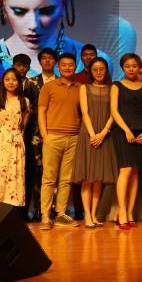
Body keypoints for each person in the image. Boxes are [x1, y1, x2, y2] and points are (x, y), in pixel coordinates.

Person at [37, 52, 82, 229]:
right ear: (58, 66)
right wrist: (45, 135)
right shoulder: (49, 87)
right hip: (53, 137)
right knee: (49, 178)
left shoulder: (80, 88)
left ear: (75, 66)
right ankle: (45, 216)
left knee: (66, 179)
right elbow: (41, 111)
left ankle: (61, 214)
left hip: (74, 138)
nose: (67, 68)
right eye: (64, 65)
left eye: (71, 65)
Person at [75, 57, 116, 227]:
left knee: (99, 178)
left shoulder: (112, 88)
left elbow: (114, 113)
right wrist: (93, 135)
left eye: (102, 69)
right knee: (87, 178)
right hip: (88, 134)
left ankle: (94, 214)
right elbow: (84, 113)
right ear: (90, 72)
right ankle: (87, 215)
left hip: (105, 135)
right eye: (95, 69)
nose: (98, 72)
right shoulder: (84, 88)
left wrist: (104, 133)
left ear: (106, 70)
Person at [110, 53, 142, 228]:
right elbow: (114, 111)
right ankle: (122, 212)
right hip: (122, 131)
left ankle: (131, 212)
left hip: (141, 131)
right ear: (123, 67)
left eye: (134, 66)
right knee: (125, 170)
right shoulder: (116, 86)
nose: (131, 69)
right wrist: (126, 130)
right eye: (127, 66)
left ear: (139, 67)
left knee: (135, 172)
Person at [0, 68, 29, 207]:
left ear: (19, 82)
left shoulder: (25, 101)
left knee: (14, 174)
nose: (11, 82)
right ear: (3, 82)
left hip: (16, 142)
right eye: (7, 79)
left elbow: (23, 125)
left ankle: (13, 208)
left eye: (14, 80)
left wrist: (16, 136)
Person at [13, 53, 42, 221]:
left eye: (25, 65)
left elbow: (37, 109)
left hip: (31, 135)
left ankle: (31, 210)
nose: (21, 68)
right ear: (13, 66)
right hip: (10, 137)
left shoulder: (32, 84)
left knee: (31, 173)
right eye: (18, 65)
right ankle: (14, 211)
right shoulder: (6, 83)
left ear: (29, 67)